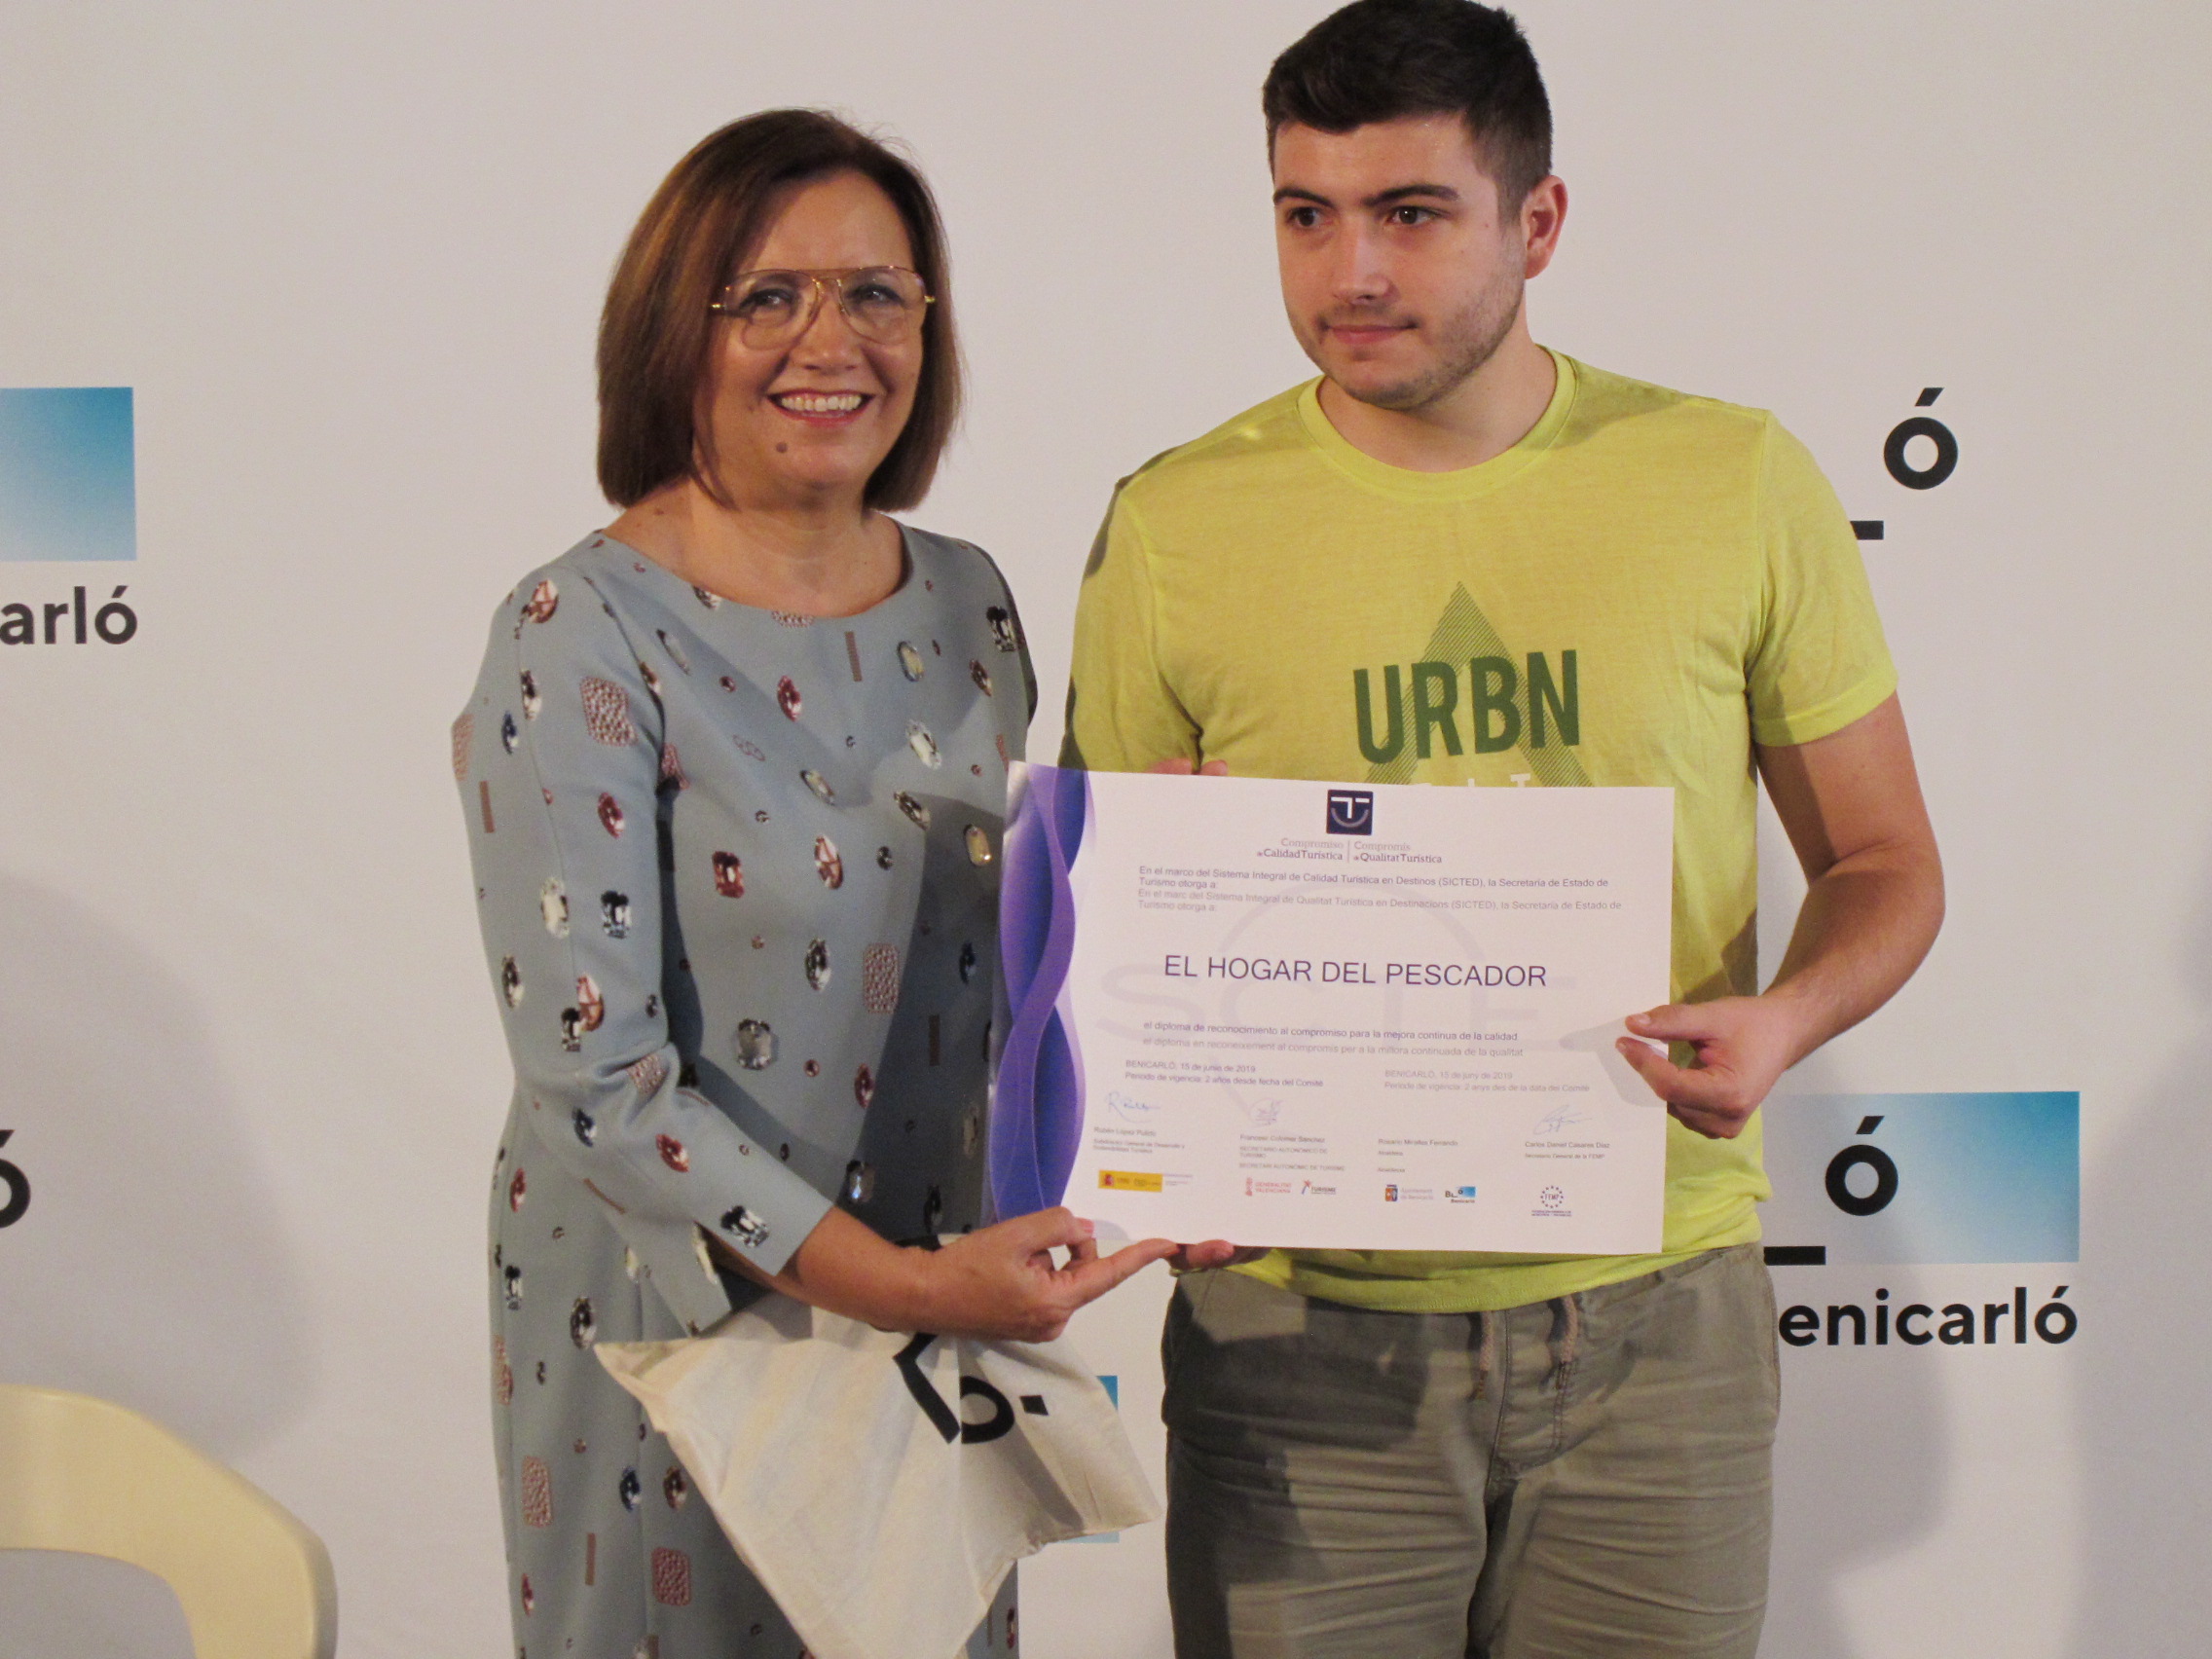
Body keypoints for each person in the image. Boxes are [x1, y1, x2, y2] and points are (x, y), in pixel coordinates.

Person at [1059, 4, 1945, 1655]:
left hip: (1658, 1320)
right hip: (1297, 1342)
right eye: (1306, 213)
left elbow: (1885, 863)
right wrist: (1163, 1118)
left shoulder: (1734, 481)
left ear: (1538, 222)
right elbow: (1105, 934)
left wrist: (1787, 1018)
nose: (1351, 272)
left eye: (1411, 213)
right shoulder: (1173, 526)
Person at [454, 108, 1172, 1659]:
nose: (830, 343)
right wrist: (904, 1287)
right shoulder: (578, 631)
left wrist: (1190, 957)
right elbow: (601, 1090)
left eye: (876, 295)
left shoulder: (970, 599)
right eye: (766, 297)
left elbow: (1020, 959)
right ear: (675, 328)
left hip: (942, 1306)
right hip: (677, 1331)